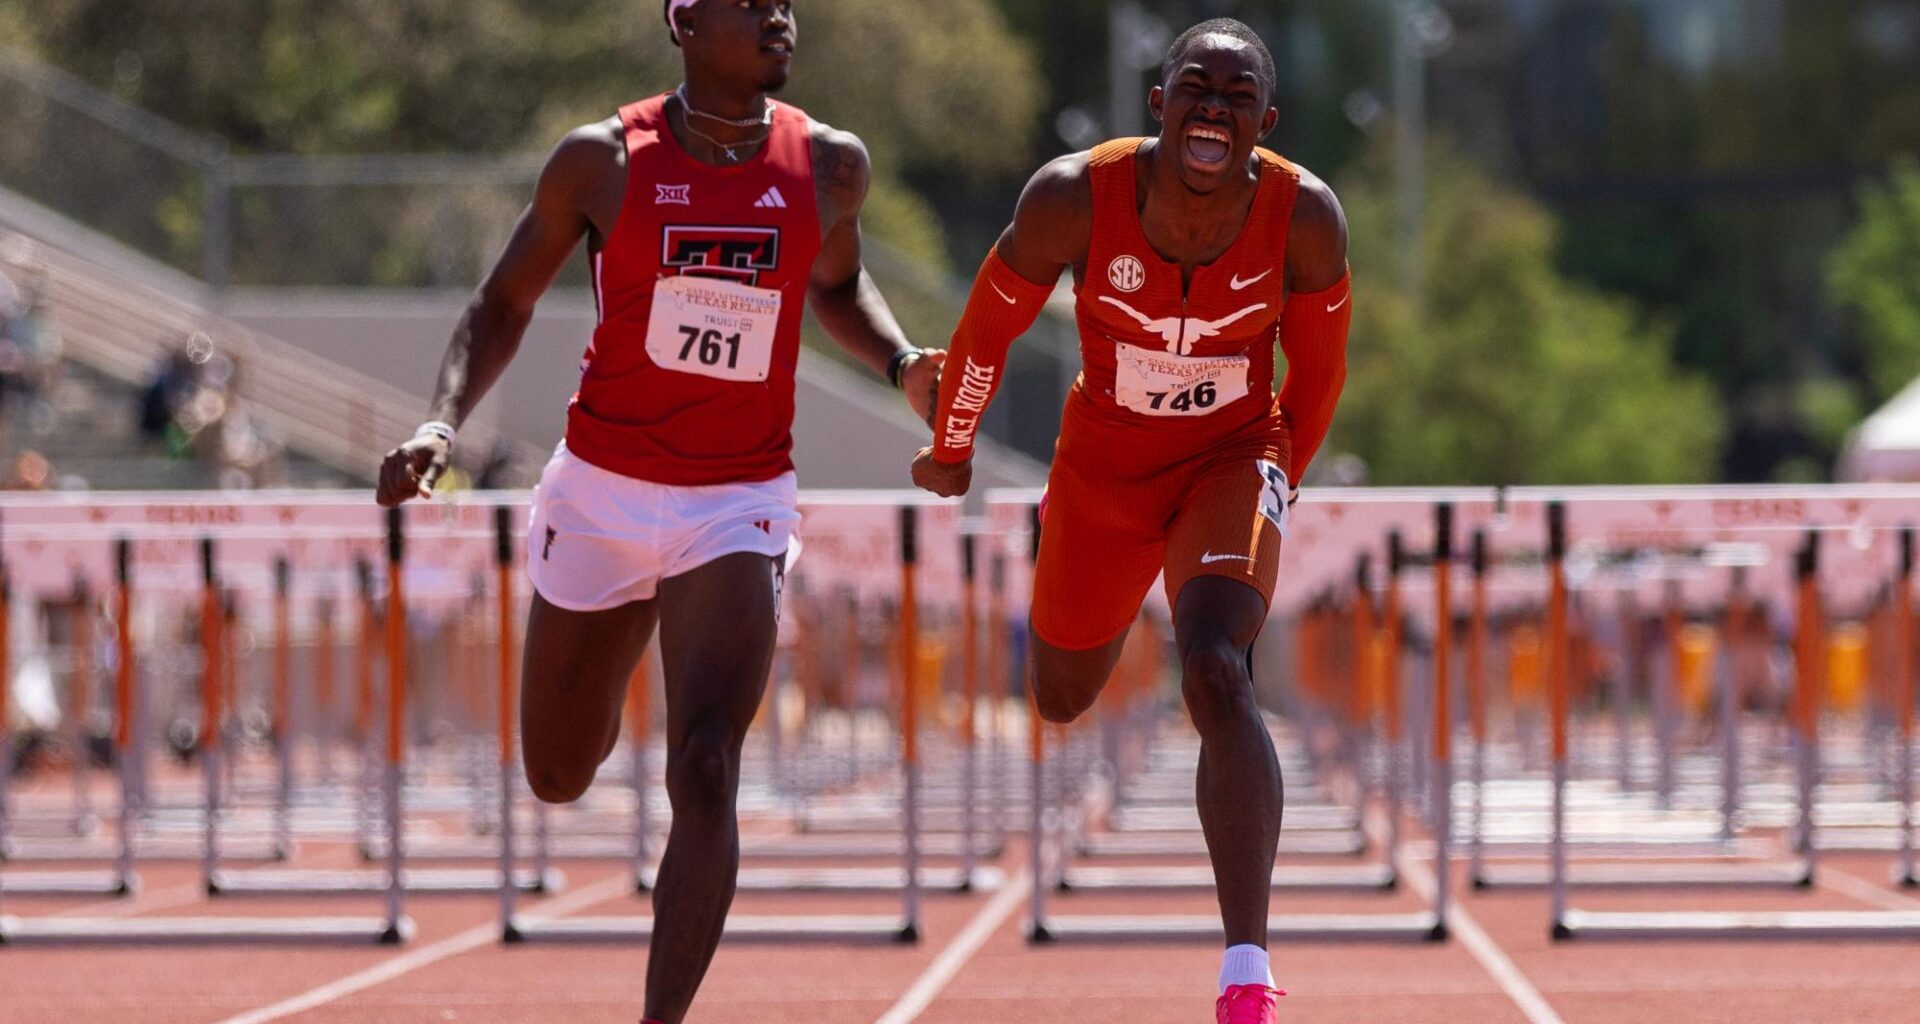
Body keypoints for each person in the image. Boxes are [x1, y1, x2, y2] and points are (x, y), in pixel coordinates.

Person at [376, 1, 938, 1020]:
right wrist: (439, 427)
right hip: (600, 488)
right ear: (682, 21)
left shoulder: (831, 165)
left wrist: (902, 363)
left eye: (785, 1)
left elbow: (838, 285)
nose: (778, 14)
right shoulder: (604, 162)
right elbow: (500, 305)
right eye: (748, 0)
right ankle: (633, 603)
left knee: (707, 763)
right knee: (555, 771)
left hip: (739, 498)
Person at [911, 18, 1350, 1023]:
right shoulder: (1075, 194)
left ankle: (1246, 968)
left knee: (1215, 665)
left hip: (1231, 458)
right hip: (1104, 466)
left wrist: (1277, 490)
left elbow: (1318, 380)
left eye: (1237, 99)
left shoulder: (1305, 216)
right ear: (1159, 104)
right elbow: (988, 325)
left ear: (1265, 123)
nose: (1213, 110)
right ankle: (1132, 596)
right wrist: (954, 445)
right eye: (1195, 87)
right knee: (1061, 694)